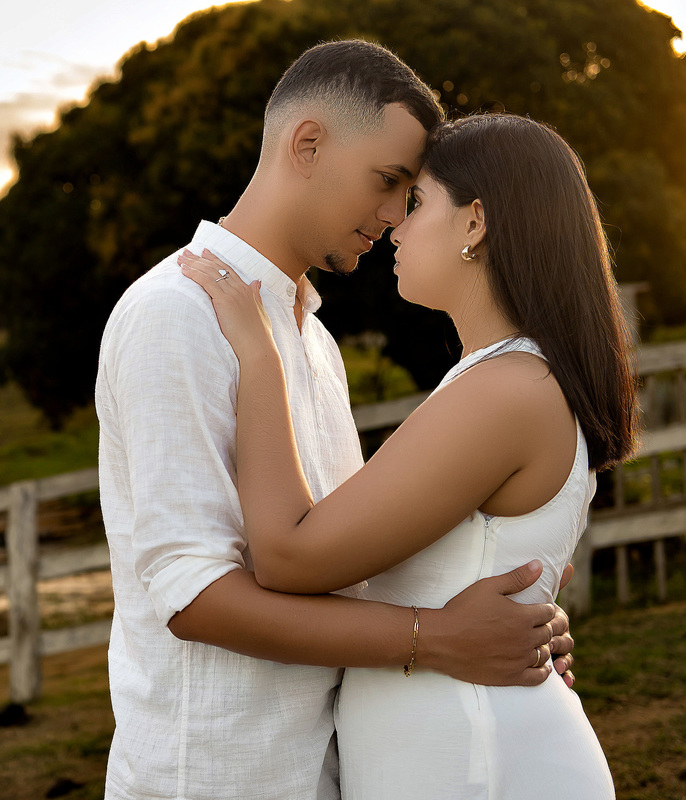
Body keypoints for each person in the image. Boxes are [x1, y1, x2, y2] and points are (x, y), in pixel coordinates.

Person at [96, 41, 580, 800]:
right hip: (221, 780)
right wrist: (437, 640)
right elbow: (192, 597)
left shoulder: (312, 338)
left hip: (327, 769)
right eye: (388, 183)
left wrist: (509, 626)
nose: (393, 216)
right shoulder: (176, 314)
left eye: (410, 195)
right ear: (308, 144)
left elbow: (343, 563)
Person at [179, 111, 636, 797]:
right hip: (451, 750)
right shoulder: (499, 378)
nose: (395, 221)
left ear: (475, 223)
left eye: (418, 202)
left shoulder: (507, 389)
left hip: (476, 759)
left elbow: (286, 556)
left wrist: (258, 359)